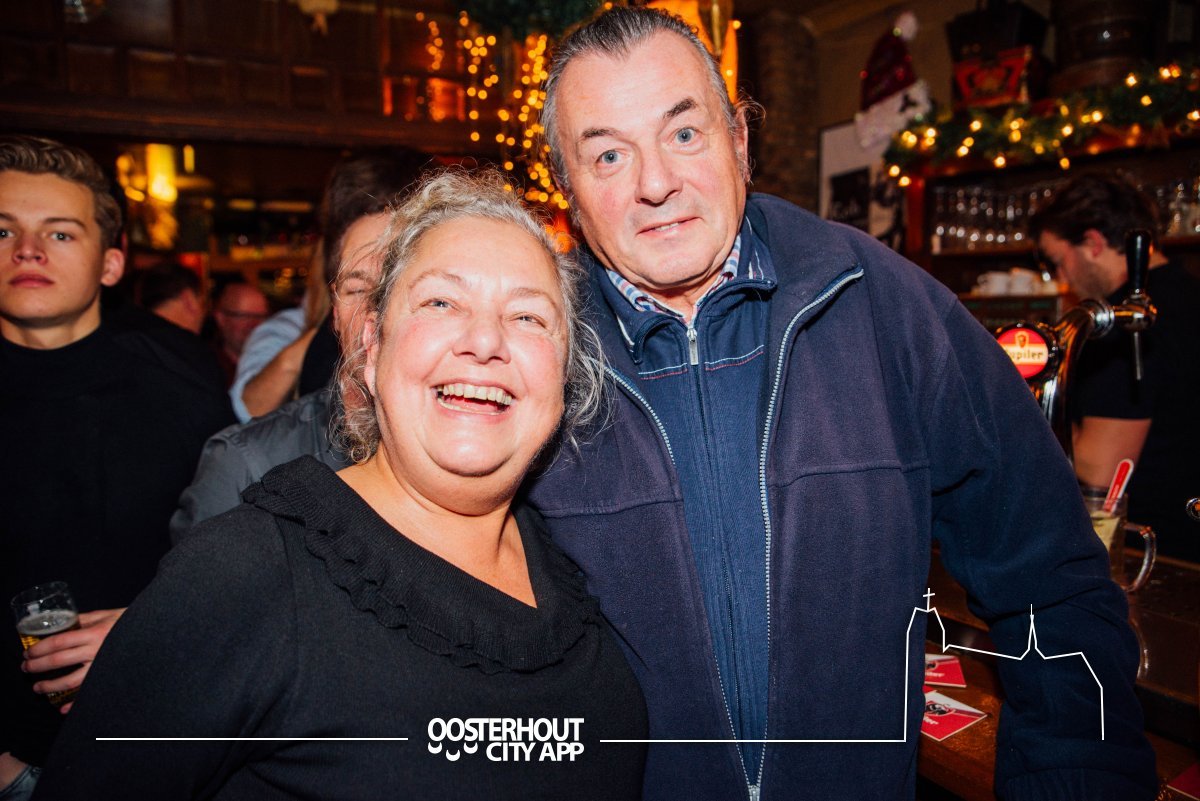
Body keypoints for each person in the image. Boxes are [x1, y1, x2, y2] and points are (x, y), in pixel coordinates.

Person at [524, 7, 1157, 800]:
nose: (655, 183)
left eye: (684, 133)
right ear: (568, 188)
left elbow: (1050, 580)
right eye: (609, 155)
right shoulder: (529, 355)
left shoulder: (885, 305)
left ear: (739, 140)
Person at [32, 169, 647, 801]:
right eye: (441, 303)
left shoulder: (580, 560)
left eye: (528, 316)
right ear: (372, 348)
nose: (486, 341)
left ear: (566, 373)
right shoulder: (244, 573)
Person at [0, 136, 234, 800]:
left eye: (60, 232)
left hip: (160, 745)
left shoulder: (180, 379)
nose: (28, 250)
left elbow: (238, 554)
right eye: (4, 229)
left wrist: (154, 625)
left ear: (110, 263)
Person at [170, 153, 419, 540]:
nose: (377, 312)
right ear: (333, 310)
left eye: (405, 288)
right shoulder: (247, 467)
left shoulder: (479, 452)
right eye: (357, 289)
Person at [1030, 173, 1200, 562]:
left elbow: (1100, 466)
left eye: (1058, 262)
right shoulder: (1189, 294)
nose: (1062, 280)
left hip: (1152, 551)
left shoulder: (1125, 322)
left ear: (1093, 243)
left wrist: (1030, 407)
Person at [209, 280, 269, 385]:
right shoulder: (204, 367)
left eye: (260, 317)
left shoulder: (274, 363)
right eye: (244, 316)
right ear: (221, 319)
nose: (254, 325)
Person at [135, 261, 206, 334]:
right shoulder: (183, 339)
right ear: (189, 301)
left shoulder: (136, 337)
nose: (203, 314)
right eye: (202, 304)